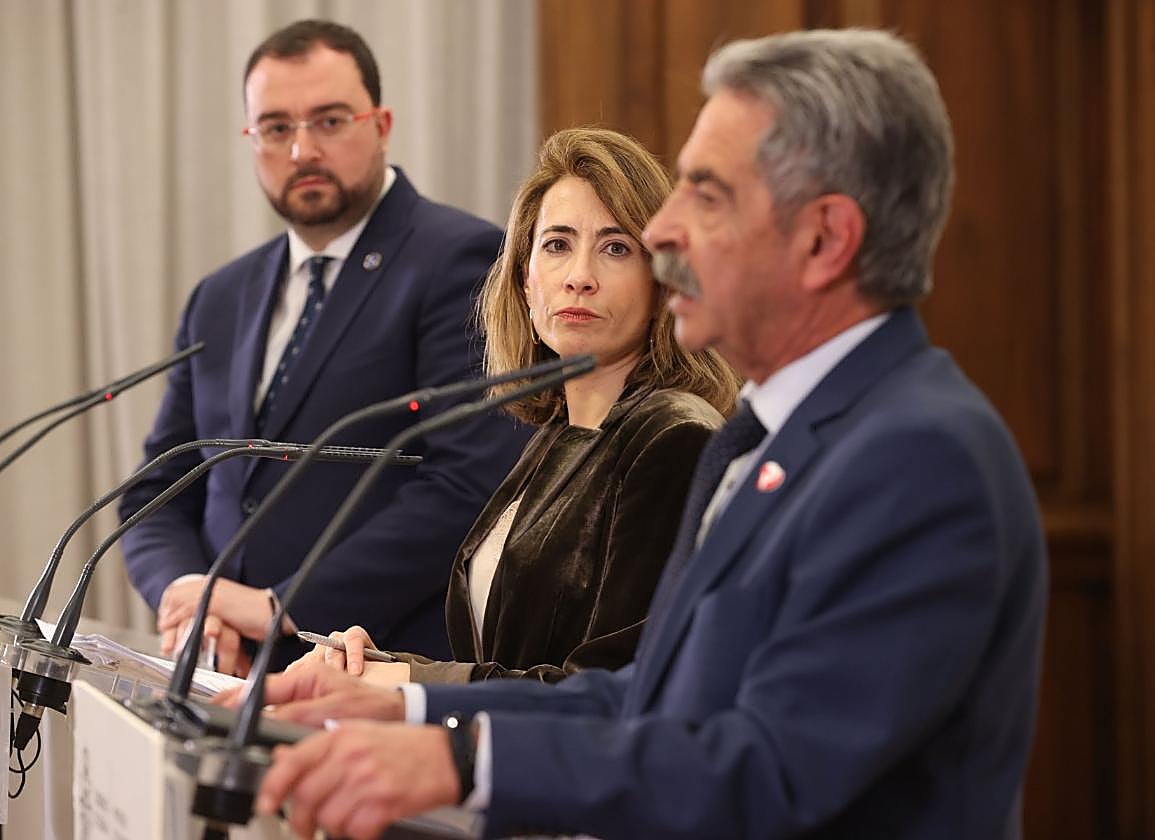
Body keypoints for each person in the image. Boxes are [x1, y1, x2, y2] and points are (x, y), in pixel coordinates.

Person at [245, 29, 1048, 840]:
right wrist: (410, 703)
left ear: (823, 238)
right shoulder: (759, 438)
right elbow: (645, 697)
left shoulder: (919, 458)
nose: (663, 233)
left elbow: (771, 768)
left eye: (706, 194)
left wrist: (463, 761)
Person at [118, 19, 530, 674]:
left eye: (330, 121)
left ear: (382, 123)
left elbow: (468, 482)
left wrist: (284, 606)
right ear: (251, 140)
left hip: (372, 669)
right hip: (217, 674)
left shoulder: (460, 260)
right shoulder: (219, 297)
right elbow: (157, 492)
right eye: (277, 128)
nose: (303, 150)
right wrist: (190, 599)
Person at [284, 128, 740, 686]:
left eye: (616, 248)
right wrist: (381, 667)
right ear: (526, 282)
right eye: (557, 245)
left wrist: (407, 687)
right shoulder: (557, 434)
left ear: (662, 283)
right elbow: (515, 661)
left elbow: (615, 690)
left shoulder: (675, 437)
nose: (579, 278)